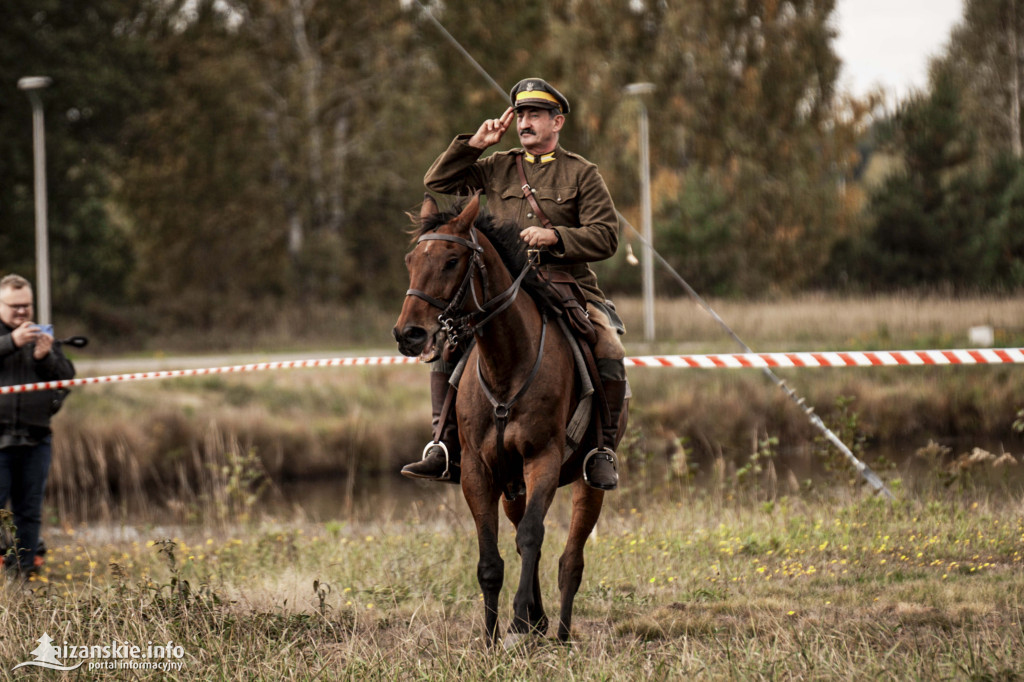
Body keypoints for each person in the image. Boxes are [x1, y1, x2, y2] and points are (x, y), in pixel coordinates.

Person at [401, 78, 627, 491]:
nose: (525, 122)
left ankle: (601, 450)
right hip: (500, 288)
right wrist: (475, 144)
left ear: (557, 122)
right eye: (521, 114)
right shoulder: (497, 165)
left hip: (564, 282)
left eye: (535, 115)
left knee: (609, 347)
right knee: (449, 345)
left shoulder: (581, 173)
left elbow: (607, 236)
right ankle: (443, 446)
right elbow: (437, 182)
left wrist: (557, 237)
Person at [0, 274, 75, 576]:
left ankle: (24, 573)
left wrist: (44, 357)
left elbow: (67, 376)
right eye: (15, 306)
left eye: (27, 306)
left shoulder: (42, 334)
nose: (22, 312)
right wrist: (10, 343)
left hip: (36, 439)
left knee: (28, 513)